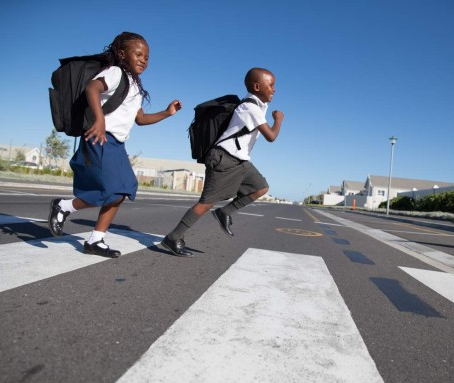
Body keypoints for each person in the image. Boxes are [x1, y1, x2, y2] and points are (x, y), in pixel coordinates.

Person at [48, 32, 182, 258]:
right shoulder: (115, 72)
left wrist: (167, 113)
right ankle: (64, 206)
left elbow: (140, 119)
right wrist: (99, 120)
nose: (143, 60)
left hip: (117, 144)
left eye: (147, 57)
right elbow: (92, 88)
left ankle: (96, 240)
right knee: (107, 190)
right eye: (138, 54)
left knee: (123, 190)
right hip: (100, 136)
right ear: (122, 54)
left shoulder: (137, 87)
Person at [161, 67, 284, 257]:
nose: (274, 89)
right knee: (206, 203)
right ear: (257, 86)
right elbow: (271, 136)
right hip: (224, 158)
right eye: (271, 85)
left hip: (240, 161)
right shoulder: (250, 107)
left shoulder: (258, 106)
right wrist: (278, 120)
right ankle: (173, 237)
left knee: (260, 187)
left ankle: (224, 212)